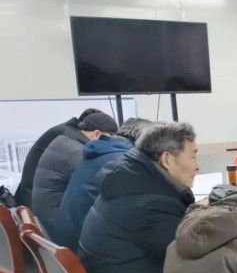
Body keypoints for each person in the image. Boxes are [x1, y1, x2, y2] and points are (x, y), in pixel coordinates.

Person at [79, 122, 199, 273]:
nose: (197, 165)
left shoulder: (129, 180)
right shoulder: (149, 205)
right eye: (193, 156)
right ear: (167, 160)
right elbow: (197, 257)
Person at [55, 118, 153, 252]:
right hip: (85, 250)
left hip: (70, 241)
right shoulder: (123, 161)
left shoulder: (102, 152)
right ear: (143, 142)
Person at [31, 111, 119, 237]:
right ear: (97, 134)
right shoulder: (79, 153)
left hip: (45, 220)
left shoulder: (63, 140)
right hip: (58, 228)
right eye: (109, 139)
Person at [13, 108, 103, 208]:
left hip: (35, 192)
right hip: (34, 198)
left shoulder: (64, 130)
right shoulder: (66, 135)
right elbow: (83, 165)